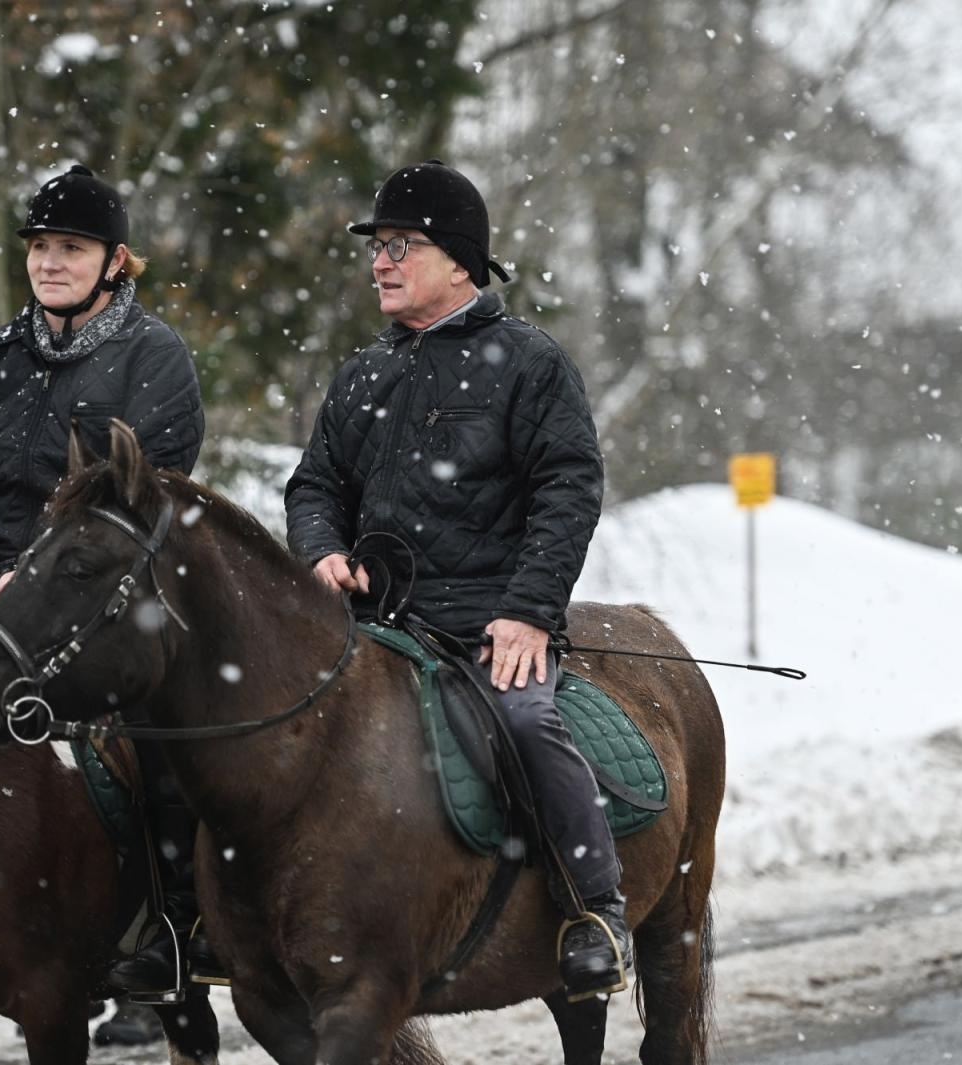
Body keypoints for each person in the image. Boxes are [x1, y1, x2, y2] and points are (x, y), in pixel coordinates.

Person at [284, 160, 631, 998]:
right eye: (377, 247)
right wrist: (322, 547)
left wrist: (528, 613)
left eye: (402, 245)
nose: (381, 262)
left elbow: (568, 490)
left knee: (525, 721)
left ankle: (598, 910)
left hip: (487, 627)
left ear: (460, 262)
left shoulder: (531, 363)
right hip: (370, 623)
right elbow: (315, 484)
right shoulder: (362, 372)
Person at [0, 164, 207, 1039]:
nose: (48, 262)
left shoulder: (156, 359)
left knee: (154, 752)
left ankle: (169, 938)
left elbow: (140, 496)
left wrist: (41, 580)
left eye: (68, 248)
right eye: (39, 246)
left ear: (116, 261)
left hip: (100, 601)